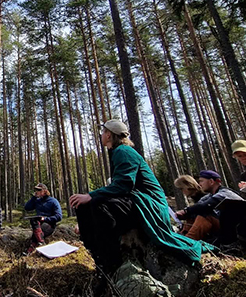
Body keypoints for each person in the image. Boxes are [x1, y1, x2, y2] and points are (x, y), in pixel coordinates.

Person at [69, 120, 211, 281]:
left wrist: (91, 195)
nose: (101, 135)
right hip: (137, 201)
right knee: (85, 206)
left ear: (109, 135)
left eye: (103, 132)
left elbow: (124, 184)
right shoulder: (118, 152)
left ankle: (111, 264)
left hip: (149, 204)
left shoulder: (123, 151)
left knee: (97, 204)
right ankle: (100, 259)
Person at [175, 170, 242, 241]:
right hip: (225, 226)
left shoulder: (225, 193)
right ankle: (183, 238)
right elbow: (199, 206)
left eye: (202, 181)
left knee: (206, 215)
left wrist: (186, 211)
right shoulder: (210, 195)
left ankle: (187, 243)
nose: (199, 184)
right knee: (196, 214)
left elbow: (207, 205)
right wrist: (186, 215)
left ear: (211, 182)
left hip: (237, 228)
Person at [24, 183, 62, 252]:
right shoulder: (37, 201)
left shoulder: (53, 201)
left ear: (45, 191)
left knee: (40, 229)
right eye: (36, 190)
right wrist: (34, 197)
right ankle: (39, 243)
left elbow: (59, 217)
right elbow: (27, 207)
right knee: (33, 220)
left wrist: (45, 219)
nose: (37, 191)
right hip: (38, 224)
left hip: (49, 224)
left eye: (39, 190)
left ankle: (36, 245)